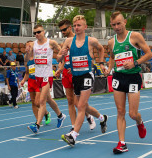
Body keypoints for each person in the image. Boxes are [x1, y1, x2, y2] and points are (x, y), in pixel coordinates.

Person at [105, 11, 152, 154]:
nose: (117, 27)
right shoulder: (111, 41)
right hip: (118, 77)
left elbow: (149, 54)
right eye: (113, 25)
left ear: (124, 22)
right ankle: (122, 143)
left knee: (132, 113)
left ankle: (139, 122)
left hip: (133, 77)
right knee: (120, 111)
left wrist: (135, 63)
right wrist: (109, 68)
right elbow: (112, 57)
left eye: (119, 23)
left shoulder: (135, 37)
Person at [58, 15, 108, 147]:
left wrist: (101, 63)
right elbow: (59, 59)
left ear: (85, 27)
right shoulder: (69, 41)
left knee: (80, 106)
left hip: (87, 75)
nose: (76, 27)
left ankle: (73, 135)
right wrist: (61, 55)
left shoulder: (91, 41)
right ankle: (102, 118)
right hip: (76, 76)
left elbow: (101, 49)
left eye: (79, 25)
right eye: (75, 26)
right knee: (82, 105)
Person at [55, 19, 96, 132]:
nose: (63, 32)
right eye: (61, 30)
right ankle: (74, 126)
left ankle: (89, 117)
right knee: (70, 100)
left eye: (64, 29)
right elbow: (61, 58)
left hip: (78, 73)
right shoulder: (67, 42)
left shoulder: (80, 40)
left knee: (79, 103)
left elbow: (88, 58)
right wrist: (60, 68)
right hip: (66, 72)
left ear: (70, 28)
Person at [27, 25, 66, 134]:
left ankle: (37, 125)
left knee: (41, 101)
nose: (37, 34)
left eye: (38, 32)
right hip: (37, 76)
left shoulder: (51, 43)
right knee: (49, 99)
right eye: (34, 33)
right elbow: (27, 60)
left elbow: (61, 53)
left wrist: (60, 65)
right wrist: (28, 52)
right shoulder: (32, 44)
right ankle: (60, 115)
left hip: (47, 75)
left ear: (43, 32)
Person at [21, 41, 63, 128]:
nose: (28, 47)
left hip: (40, 79)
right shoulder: (26, 57)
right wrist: (23, 80)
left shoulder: (38, 54)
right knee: (34, 103)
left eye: (30, 45)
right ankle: (38, 121)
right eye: (27, 46)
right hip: (31, 81)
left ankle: (46, 115)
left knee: (39, 102)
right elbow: (27, 71)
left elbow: (46, 62)